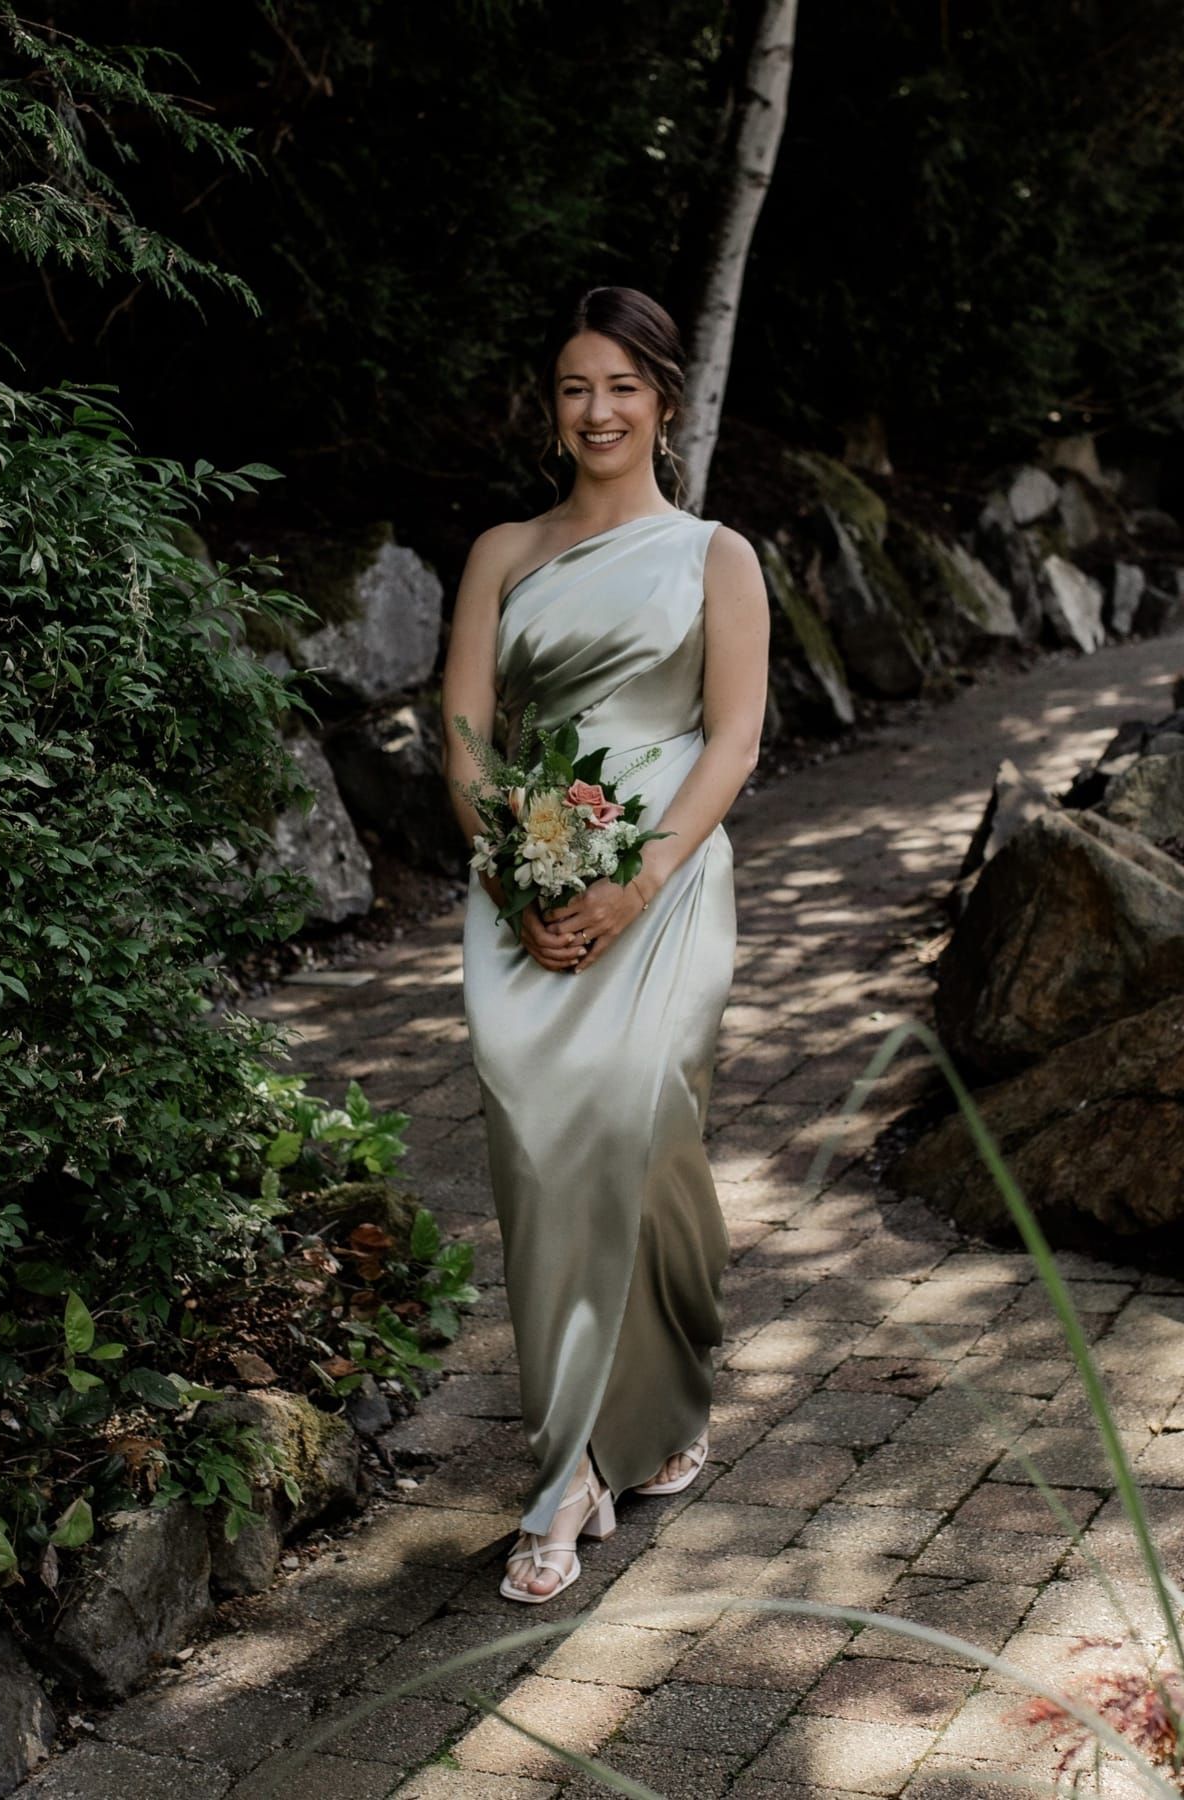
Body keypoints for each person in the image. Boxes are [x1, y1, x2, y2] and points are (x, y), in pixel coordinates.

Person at [440, 285, 770, 1603]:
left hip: (668, 874)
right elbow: (468, 738)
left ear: (665, 401)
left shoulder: (716, 555)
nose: (598, 410)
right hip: (527, 876)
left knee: (641, 1127)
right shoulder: (503, 550)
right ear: (552, 405)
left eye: (622, 386)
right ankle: (572, 1466)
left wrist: (634, 882)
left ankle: (664, 1394)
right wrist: (512, 870)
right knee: (543, 1146)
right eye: (576, 387)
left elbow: (735, 737)